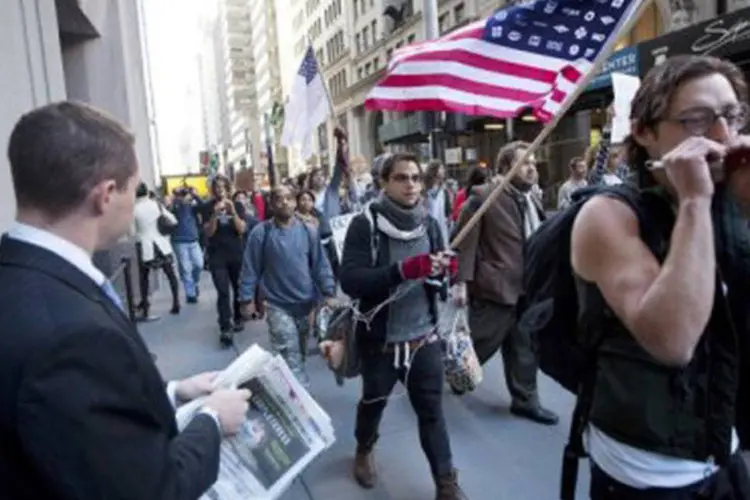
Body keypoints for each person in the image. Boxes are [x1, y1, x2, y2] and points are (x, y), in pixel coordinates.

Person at [0, 101, 251, 499]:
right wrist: (212, 420)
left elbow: (84, 416)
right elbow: (151, 490)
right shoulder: (71, 335)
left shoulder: (20, 274)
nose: (135, 202)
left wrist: (172, 392)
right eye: (134, 189)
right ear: (106, 194)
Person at [571, 55, 750, 498]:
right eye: (695, 120)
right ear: (644, 132)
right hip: (646, 473)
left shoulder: (731, 201)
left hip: (722, 448)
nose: (722, 136)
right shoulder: (607, 216)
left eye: (731, 116)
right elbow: (672, 341)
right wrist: (693, 201)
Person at [339, 153, 466, 499]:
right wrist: (404, 270)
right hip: (380, 342)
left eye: (415, 177)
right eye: (401, 177)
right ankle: (364, 449)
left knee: (432, 412)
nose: (411, 184)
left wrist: (445, 272)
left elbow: (441, 275)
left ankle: (446, 481)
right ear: (384, 182)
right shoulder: (365, 224)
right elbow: (351, 280)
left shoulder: (431, 223)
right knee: (373, 403)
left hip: (423, 337)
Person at [238, 185, 336, 387]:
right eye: (279, 199)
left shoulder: (308, 231)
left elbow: (320, 264)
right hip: (276, 305)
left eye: (289, 198)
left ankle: (287, 387)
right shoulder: (261, 233)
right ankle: (301, 398)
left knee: (298, 353)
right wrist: (246, 299)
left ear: (295, 202)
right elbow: (250, 268)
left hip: (305, 304)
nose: (285, 202)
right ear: (272, 205)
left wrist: (328, 292)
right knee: (289, 353)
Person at [201, 175, 247, 345]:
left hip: (235, 253)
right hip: (217, 255)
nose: (220, 190)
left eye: (223, 186)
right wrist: (215, 214)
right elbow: (208, 232)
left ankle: (238, 317)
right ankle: (225, 326)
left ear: (228, 188)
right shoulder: (207, 207)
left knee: (238, 288)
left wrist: (232, 211)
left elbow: (241, 229)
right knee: (222, 291)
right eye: (217, 187)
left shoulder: (238, 205)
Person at [133, 182, 181, 317]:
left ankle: (146, 307)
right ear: (147, 192)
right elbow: (173, 219)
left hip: (145, 245)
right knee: (170, 274)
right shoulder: (156, 205)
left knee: (144, 277)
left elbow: (131, 231)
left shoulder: (134, 209)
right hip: (161, 244)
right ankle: (176, 301)